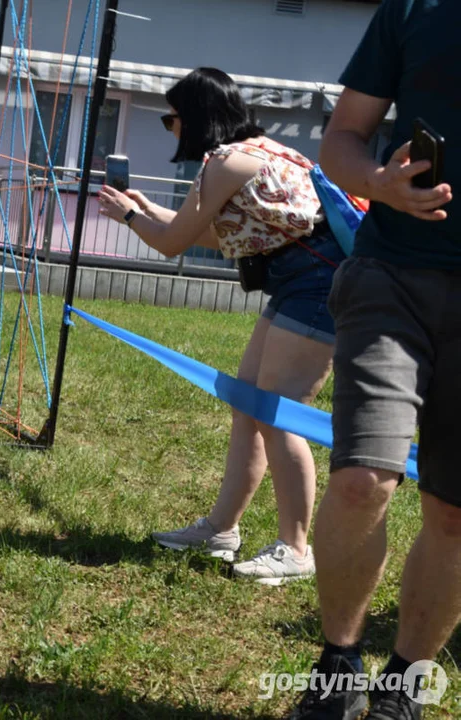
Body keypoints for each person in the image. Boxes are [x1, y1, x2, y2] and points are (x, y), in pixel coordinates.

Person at [96, 68, 345, 585]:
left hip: (316, 289)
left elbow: (172, 244)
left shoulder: (224, 164)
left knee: (279, 413)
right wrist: (143, 207)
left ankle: (295, 548)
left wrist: (124, 217)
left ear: (195, 118)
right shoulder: (265, 151)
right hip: (308, 282)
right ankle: (220, 529)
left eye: (171, 118)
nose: (170, 128)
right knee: (249, 402)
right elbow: (213, 232)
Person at [287, 3, 458, 718]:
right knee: (361, 481)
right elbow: (341, 140)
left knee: (453, 515)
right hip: (391, 275)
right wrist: (377, 182)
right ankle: (337, 666)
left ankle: (403, 685)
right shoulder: (413, 10)